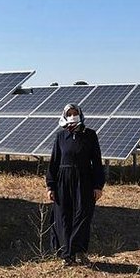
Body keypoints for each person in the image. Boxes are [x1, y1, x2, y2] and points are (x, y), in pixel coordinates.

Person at [46, 103, 105, 266]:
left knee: (82, 216)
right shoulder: (60, 137)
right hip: (63, 181)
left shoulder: (90, 135)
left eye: (75, 113)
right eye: (69, 113)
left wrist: (98, 185)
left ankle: (78, 251)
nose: (72, 116)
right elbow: (54, 161)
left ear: (80, 114)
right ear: (65, 116)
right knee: (63, 217)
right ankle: (68, 255)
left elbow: (97, 162)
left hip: (84, 180)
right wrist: (50, 186)